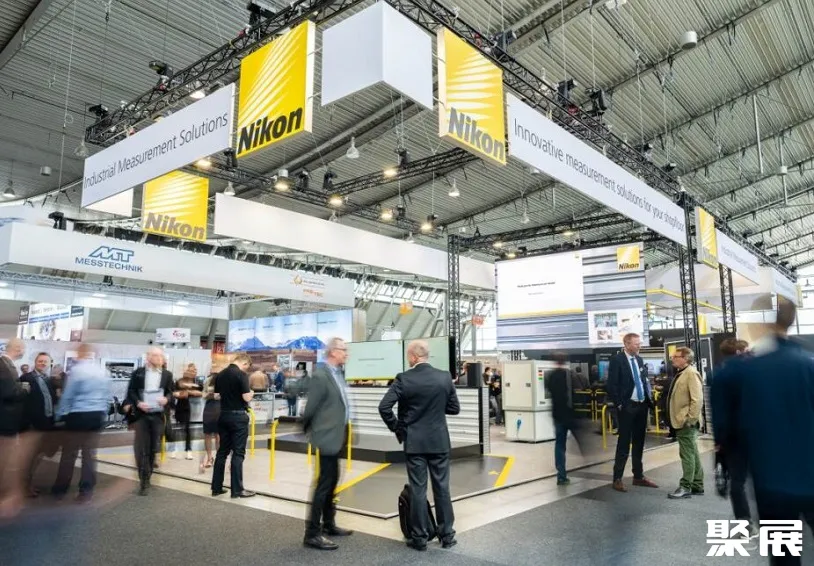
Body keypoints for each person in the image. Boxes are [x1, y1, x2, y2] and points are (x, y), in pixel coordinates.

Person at [714, 295, 814, 564]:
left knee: (783, 557)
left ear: (757, 321)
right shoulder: (809, 365)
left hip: (771, 486)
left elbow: (724, 434)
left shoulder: (733, 374)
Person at [379, 340, 460, 551]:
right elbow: (454, 408)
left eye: (408, 355)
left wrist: (398, 428)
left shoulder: (404, 379)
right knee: (442, 488)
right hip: (439, 441)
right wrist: (436, 408)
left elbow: (384, 407)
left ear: (414, 357)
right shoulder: (444, 377)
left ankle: (420, 538)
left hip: (414, 442)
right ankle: (447, 536)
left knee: (418, 489)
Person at [302, 338, 353, 551]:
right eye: (343, 350)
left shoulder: (337, 374)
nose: (346, 353)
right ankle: (312, 533)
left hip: (338, 435)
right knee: (324, 484)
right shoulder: (321, 375)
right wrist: (310, 430)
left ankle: (329, 524)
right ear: (333, 352)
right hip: (326, 437)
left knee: (332, 482)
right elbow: (311, 407)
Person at [51, 344, 110, 501]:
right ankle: (86, 490)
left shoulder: (77, 371)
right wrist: (102, 414)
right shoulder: (102, 371)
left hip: (78, 416)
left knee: (69, 454)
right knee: (89, 455)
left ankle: (60, 489)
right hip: (96, 416)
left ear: (80, 353)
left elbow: (68, 396)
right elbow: (107, 396)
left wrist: (59, 415)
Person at [607, 333, 658, 492]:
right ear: (627, 344)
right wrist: (619, 404)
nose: (639, 346)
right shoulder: (617, 360)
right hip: (627, 406)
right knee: (624, 443)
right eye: (636, 344)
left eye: (639, 343)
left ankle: (638, 476)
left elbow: (643, 381)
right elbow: (612, 385)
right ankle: (617, 478)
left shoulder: (639, 360)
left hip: (642, 406)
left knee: (639, 442)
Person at [712, 338, 753, 530]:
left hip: (731, 436)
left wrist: (718, 440)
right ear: (738, 352)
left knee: (737, 481)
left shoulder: (719, 374)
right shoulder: (755, 371)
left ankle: (744, 521)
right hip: (756, 433)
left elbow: (718, 411)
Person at [125, 346, 174, 496]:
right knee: (140, 448)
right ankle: (143, 479)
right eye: (156, 356)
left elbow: (171, 392)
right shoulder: (138, 373)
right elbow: (131, 391)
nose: (160, 358)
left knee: (153, 448)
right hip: (141, 416)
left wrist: (166, 399)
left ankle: (148, 477)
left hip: (158, 416)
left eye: (161, 356)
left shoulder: (167, 375)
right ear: (148, 357)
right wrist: (138, 403)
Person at [211, 353, 255, 499]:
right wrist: (251, 393)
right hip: (238, 418)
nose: (246, 369)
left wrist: (228, 395)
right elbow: (246, 397)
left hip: (223, 415)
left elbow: (216, 395)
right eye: (247, 367)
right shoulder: (241, 375)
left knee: (222, 452)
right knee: (238, 453)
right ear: (245, 363)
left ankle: (216, 488)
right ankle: (237, 490)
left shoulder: (221, 374)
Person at [665, 347, 704, 499]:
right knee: (692, 452)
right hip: (682, 420)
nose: (672, 359)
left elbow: (697, 399)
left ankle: (685, 486)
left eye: (676, 356)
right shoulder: (683, 373)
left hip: (686, 422)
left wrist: (690, 419)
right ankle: (697, 485)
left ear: (686, 358)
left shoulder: (691, 373)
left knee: (687, 454)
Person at [20, 352, 58, 497]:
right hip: (32, 425)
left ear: (50, 363)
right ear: (35, 362)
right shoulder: (26, 378)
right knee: (29, 457)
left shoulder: (48, 380)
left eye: (45, 361)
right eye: (40, 361)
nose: (43, 363)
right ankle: (24, 486)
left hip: (46, 423)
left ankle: (28, 484)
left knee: (38, 456)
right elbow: (22, 401)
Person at [546, 353, 584, 486]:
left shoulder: (550, 376)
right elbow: (578, 391)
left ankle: (561, 476)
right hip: (570, 414)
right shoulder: (569, 375)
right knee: (582, 439)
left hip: (557, 415)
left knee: (559, 445)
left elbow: (549, 391)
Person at [0, 338, 28, 517]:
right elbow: (9, 392)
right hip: (5, 422)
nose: (23, 351)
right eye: (22, 348)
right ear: (16, 348)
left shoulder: (7, 365)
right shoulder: (4, 366)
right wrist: (24, 389)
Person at [172, 363, 202, 460]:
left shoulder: (197, 381)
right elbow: (174, 393)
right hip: (182, 407)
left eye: (194, 370)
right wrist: (181, 394)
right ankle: (175, 449)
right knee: (178, 429)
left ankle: (188, 450)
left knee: (188, 430)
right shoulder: (179, 381)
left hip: (194, 408)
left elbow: (202, 392)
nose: (193, 372)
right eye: (191, 370)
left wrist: (189, 392)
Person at [200, 373, 220, 472]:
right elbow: (203, 394)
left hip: (220, 408)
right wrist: (209, 395)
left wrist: (214, 395)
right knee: (207, 434)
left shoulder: (224, 378)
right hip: (209, 408)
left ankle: (219, 458)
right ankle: (209, 458)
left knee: (218, 435)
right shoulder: (208, 380)